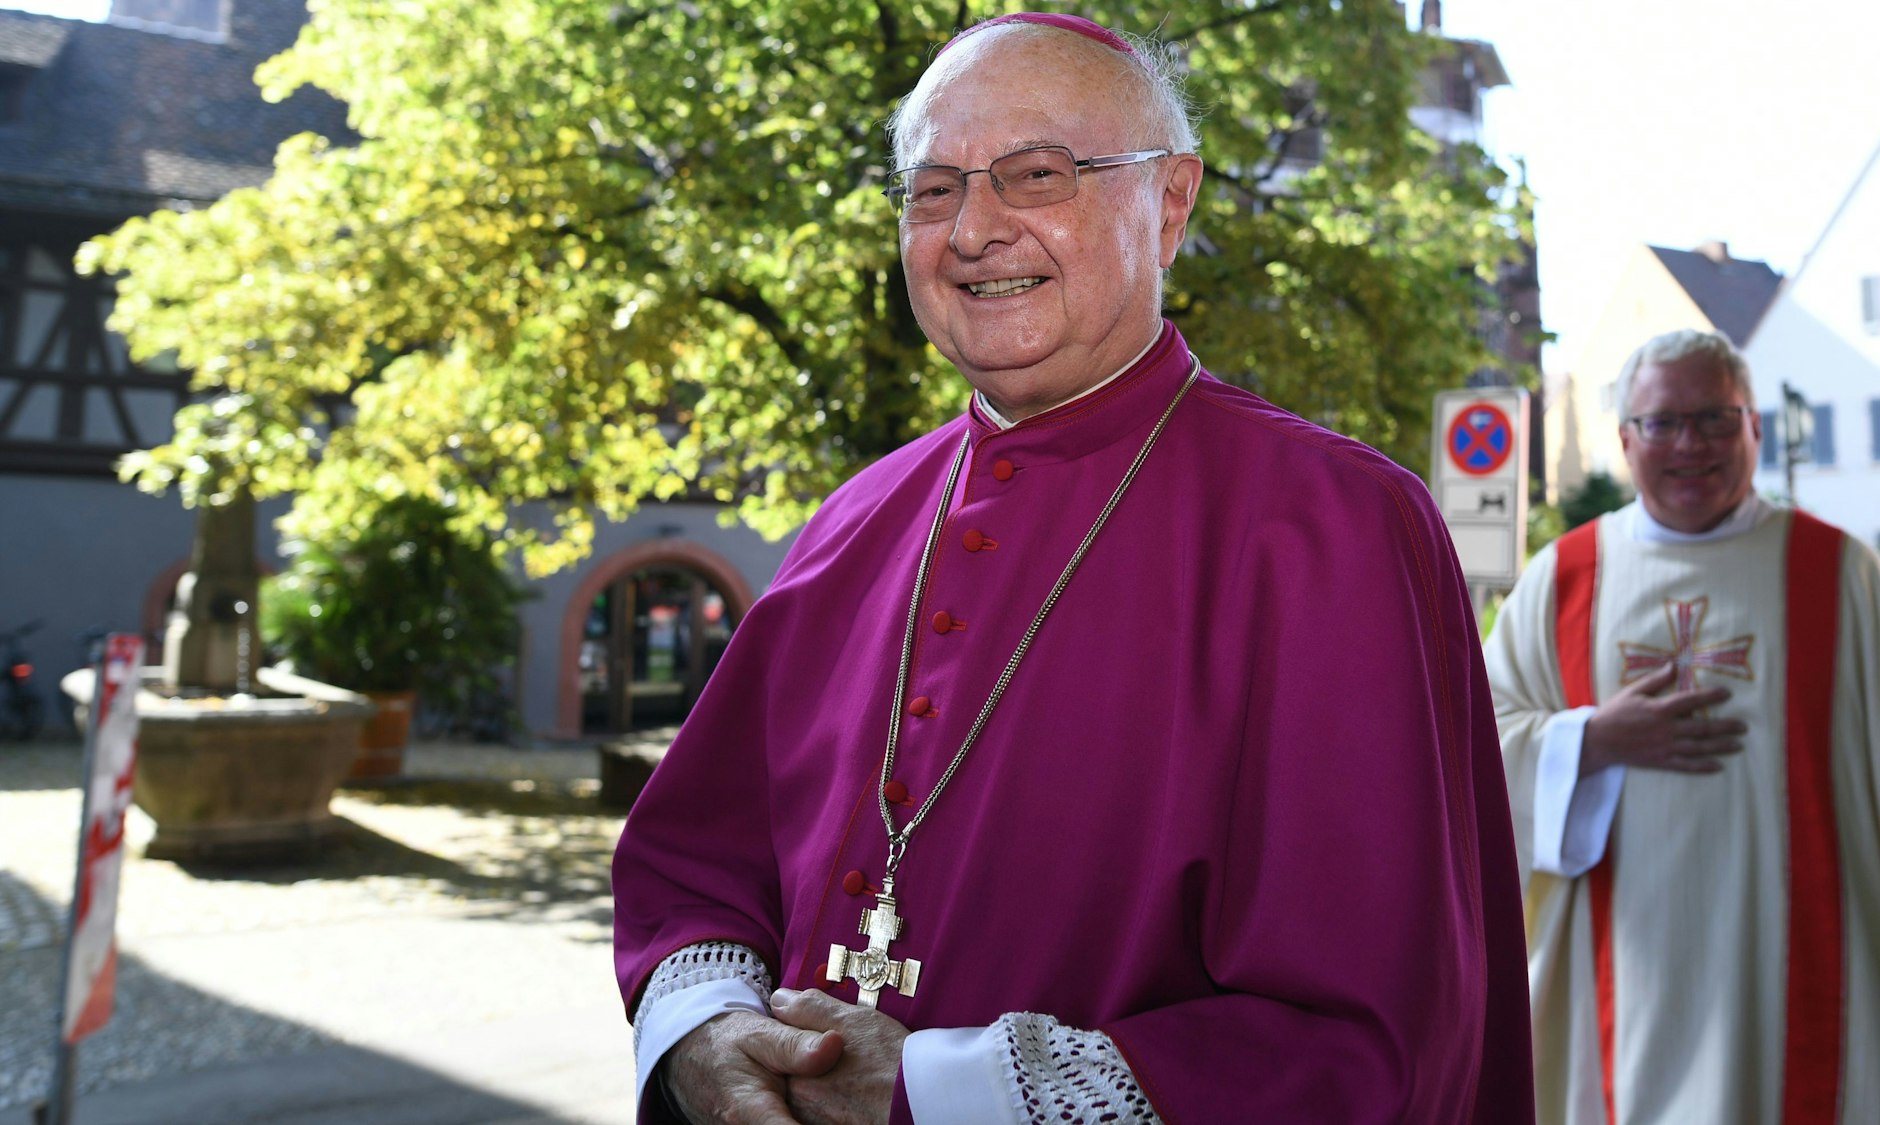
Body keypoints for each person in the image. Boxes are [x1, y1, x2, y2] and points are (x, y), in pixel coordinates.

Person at [612, 13, 1533, 1125]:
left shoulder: (1334, 526)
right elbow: (696, 870)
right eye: (933, 191)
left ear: (1171, 202)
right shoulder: (853, 519)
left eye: (1036, 175)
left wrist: (940, 1092)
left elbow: (1371, 1040)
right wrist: (707, 1034)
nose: (972, 231)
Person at [1483, 328, 1880, 1123]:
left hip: (1813, 962)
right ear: (1626, 439)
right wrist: (1589, 739)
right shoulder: (1562, 581)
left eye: (1715, 419)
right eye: (1662, 422)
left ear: (1754, 427)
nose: (1689, 444)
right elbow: (1474, 755)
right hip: (1621, 965)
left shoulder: (1842, 575)